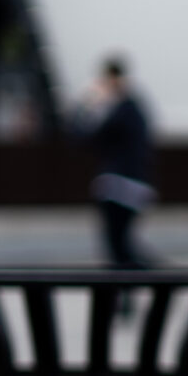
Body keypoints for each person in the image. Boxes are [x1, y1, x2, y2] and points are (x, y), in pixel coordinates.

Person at [71, 56, 156, 268]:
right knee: (122, 245)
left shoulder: (122, 110)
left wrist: (85, 104)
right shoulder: (133, 108)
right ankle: (135, 287)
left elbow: (83, 136)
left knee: (118, 248)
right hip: (131, 185)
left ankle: (138, 284)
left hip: (119, 185)